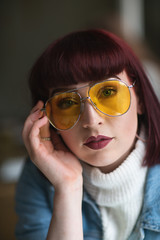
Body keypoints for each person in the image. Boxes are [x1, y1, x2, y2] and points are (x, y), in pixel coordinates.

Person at [15, 29, 160, 240]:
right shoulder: (39, 177)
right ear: (47, 117)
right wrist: (68, 187)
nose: (92, 121)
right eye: (66, 102)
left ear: (138, 99)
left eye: (108, 92)